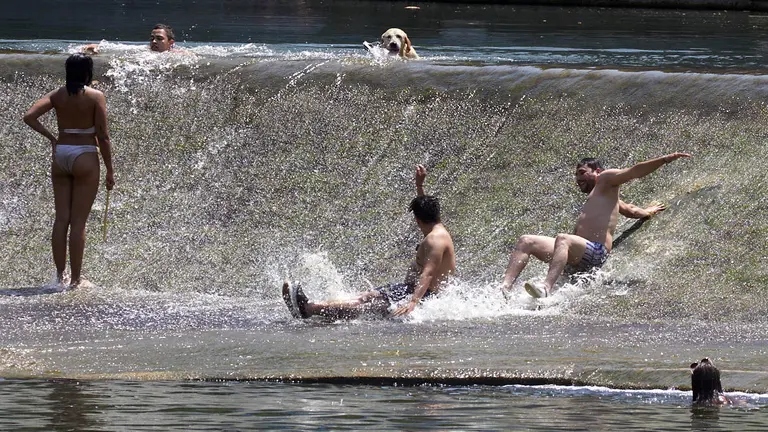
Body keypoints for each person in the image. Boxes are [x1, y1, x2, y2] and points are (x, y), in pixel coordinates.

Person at [501, 152, 691, 299]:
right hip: (577, 254)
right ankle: (504, 289)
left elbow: (634, 171)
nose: (578, 178)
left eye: (582, 173)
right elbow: (630, 210)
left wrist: (666, 159)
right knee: (526, 240)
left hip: (596, 253)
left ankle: (545, 288)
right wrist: (648, 211)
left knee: (563, 238)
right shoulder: (604, 196)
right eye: (576, 175)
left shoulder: (606, 179)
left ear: (597, 172)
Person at [282, 165, 456, 319]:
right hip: (409, 290)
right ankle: (313, 306)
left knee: (364, 307)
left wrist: (413, 302)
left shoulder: (435, 240)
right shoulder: (436, 229)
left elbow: (428, 274)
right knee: (365, 297)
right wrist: (420, 186)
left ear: (417, 220)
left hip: (422, 295)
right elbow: (423, 208)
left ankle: (307, 309)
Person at [23, 53, 115, 288]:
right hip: (85, 153)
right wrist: (110, 170)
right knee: (79, 222)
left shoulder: (57, 95)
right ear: (88, 72)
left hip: (61, 153)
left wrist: (52, 138)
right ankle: (75, 280)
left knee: (61, 219)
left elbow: (29, 116)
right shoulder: (96, 97)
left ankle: (59, 276)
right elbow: (103, 136)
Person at [82, 23, 178, 54]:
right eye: (152, 38)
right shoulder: (144, 50)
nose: (154, 41)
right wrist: (95, 46)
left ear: (170, 42)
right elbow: (113, 47)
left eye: (159, 38)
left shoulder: (178, 54)